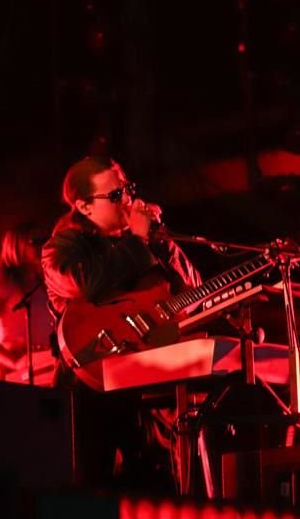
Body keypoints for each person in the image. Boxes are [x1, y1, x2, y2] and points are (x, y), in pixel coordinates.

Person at [41, 155, 200, 492]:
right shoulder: (63, 248)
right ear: (84, 207)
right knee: (89, 491)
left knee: (156, 492)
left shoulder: (148, 243)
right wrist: (137, 242)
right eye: (114, 195)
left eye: (127, 190)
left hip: (148, 391)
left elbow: (193, 294)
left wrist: (161, 242)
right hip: (90, 392)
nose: (127, 200)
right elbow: (83, 282)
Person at [0, 223, 54, 382]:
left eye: (44, 239)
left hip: (46, 363)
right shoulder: (0, 278)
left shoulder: (43, 280)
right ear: (16, 245)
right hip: (15, 365)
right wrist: (14, 362)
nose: (42, 245)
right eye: (34, 241)